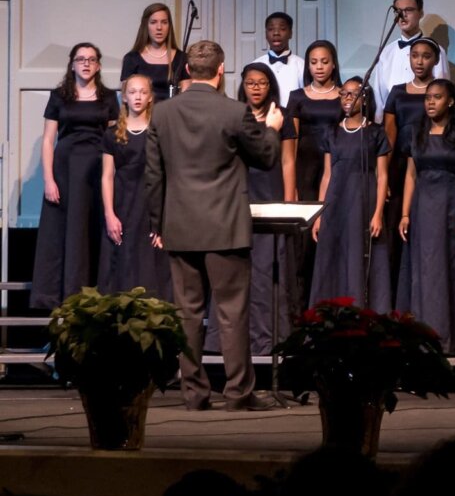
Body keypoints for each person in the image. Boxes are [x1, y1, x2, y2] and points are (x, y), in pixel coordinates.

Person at [145, 40, 283, 411]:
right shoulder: (235, 112)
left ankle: (194, 394)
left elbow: (153, 175)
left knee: (187, 313)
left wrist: (158, 223)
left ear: (188, 70)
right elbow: (267, 157)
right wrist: (271, 128)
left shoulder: (162, 114)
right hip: (225, 226)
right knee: (232, 312)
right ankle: (238, 394)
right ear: (221, 71)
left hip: (181, 225)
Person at [206, 62, 297, 356]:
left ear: (270, 85)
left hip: (270, 193)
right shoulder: (234, 116)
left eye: (261, 82)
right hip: (239, 195)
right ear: (242, 85)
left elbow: (287, 162)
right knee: (234, 269)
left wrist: (287, 202)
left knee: (266, 268)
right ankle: (229, 342)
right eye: (250, 83)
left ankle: (269, 339)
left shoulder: (281, 117)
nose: (256, 88)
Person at [397, 79, 455, 354]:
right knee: (425, 272)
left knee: (454, 271)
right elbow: (411, 175)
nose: (430, 102)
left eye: (437, 97)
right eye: (427, 98)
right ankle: (423, 340)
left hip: (453, 206)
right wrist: (404, 213)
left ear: (450, 101)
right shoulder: (416, 132)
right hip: (423, 207)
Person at [30, 43, 120, 310]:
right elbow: (48, 140)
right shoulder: (59, 96)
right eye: (80, 59)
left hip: (95, 171)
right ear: (72, 64)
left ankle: (93, 300)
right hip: (65, 171)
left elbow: (114, 138)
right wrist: (48, 179)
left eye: (91, 60)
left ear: (99, 65)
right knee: (63, 235)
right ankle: (64, 302)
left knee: (90, 231)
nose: (86, 64)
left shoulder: (107, 97)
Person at [311, 77, 392, 312]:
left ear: (364, 97)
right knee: (334, 256)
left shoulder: (375, 133)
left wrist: (378, 214)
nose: (347, 99)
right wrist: (319, 214)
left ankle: (364, 314)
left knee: (361, 254)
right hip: (336, 201)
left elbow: (382, 176)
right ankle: (329, 315)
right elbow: (326, 175)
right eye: (343, 94)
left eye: (352, 94)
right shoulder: (332, 133)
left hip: (363, 200)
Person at [98, 74, 172, 301]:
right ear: (125, 98)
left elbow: (169, 175)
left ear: (150, 98)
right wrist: (110, 214)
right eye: (132, 92)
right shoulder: (112, 135)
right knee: (123, 261)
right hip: (123, 204)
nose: (137, 96)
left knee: (152, 263)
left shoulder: (159, 132)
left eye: (142, 92)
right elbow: (107, 176)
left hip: (152, 206)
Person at [383, 36, 446, 297]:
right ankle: (399, 295)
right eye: (415, 55)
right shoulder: (398, 91)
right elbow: (388, 133)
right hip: (400, 165)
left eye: (426, 56)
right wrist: (383, 175)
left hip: (432, 163)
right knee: (398, 224)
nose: (419, 61)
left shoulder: (442, 92)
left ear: (435, 60)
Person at [369, 0, 450, 122]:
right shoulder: (386, 52)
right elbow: (380, 95)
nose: (403, 15)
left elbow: (442, 90)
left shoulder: (436, 50)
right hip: (393, 121)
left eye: (409, 10)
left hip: (425, 118)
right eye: (398, 11)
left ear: (421, 13)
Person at [287, 40, 343, 201]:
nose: (319, 67)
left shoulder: (344, 96)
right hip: (305, 164)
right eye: (314, 62)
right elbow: (292, 139)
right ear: (308, 66)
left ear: (333, 65)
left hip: (335, 161)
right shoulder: (297, 96)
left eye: (324, 62)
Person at [121, 3, 188, 101]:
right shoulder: (131, 58)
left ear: (169, 26)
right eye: (153, 22)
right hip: (142, 114)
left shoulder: (182, 58)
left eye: (164, 22)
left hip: (172, 114)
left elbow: (186, 97)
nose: (159, 27)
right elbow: (126, 98)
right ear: (146, 25)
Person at [253, 12, 305, 108]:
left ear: (290, 33)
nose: (276, 33)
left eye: (282, 29)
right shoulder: (255, 65)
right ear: (265, 34)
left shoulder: (302, 66)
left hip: (293, 120)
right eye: (271, 29)